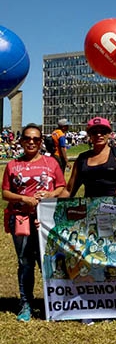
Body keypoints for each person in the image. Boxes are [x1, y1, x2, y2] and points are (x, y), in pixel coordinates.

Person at [2, 123, 66, 322]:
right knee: (25, 262)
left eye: (36, 139)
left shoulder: (51, 163)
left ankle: (54, 303)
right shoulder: (13, 165)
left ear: (41, 142)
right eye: (28, 138)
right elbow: (5, 192)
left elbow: (61, 187)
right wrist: (24, 199)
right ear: (21, 141)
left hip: (46, 219)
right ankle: (26, 304)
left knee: (48, 262)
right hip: (21, 219)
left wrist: (49, 194)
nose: (31, 142)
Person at [64, 117, 116, 198]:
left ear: (109, 134)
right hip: (92, 208)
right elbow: (69, 190)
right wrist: (52, 203)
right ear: (89, 135)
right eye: (94, 132)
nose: (99, 134)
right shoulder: (82, 159)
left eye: (103, 132)